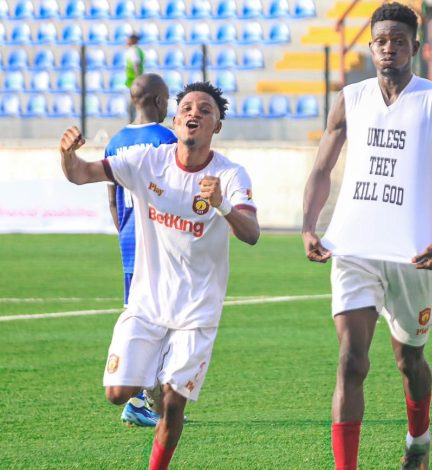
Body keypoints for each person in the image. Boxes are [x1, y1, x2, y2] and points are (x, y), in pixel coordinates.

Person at [301, 3, 432, 469]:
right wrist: (309, 225)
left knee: (409, 360)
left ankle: (419, 438)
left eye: (399, 40)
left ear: (414, 46)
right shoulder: (350, 98)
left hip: (414, 253)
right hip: (353, 248)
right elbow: (321, 168)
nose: (389, 48)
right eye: (381, 40)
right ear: (370, 46)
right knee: (350, 360)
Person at [59, 81, 259, 470]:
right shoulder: (147, 161)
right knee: (117, 393)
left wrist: (221, 205)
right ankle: (150, 381)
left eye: (205, 110)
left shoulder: (230, 174)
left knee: (173, 403)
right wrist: (67, 155)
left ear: (217, 126)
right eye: (187, 108)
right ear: (175, 120)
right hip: (147, 303)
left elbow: (251, 233)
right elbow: (81, 174)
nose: (194, 113)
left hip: (197, 310)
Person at [104, 73, 178, 427]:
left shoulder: (114, 142)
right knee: (163, 322)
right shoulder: (166, 140)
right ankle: (141, 400)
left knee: (140, 318)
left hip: (131, 245)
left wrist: (126, 236)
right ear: (159, 101)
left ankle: (147, 400)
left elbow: (112, 200)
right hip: (161, 246)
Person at [124, 33, 145, 122]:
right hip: (133, 81)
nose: (126, 41)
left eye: (128, 39)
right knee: (135, 104)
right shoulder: (137, 50)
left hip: (134, 82)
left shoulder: (133, 51)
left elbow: (136, 65)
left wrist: (137, 81)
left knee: (133, 105)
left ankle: (133, 122)